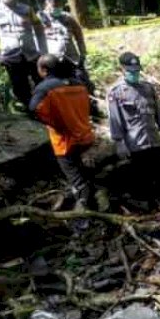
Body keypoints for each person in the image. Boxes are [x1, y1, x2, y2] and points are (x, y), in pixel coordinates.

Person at [107, 52, 160, 211]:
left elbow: (159, 112)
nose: (134, 74)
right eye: (131, 71)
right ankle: (151, 208)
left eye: (137, 71)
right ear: (122, 69)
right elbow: (115, 119)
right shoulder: (116, 92)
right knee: (144, 179)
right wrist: (120, 143)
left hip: (154, 140)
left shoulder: (148, 88)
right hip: (136, 144)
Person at [28, 54, 95, 210]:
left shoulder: (45, 88)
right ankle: (87, 191)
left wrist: (52, 122)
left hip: (65, 141)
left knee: (75, 177)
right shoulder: (78, 84)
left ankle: (83, 211)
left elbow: (33, 109)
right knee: (77, 166)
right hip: (85, 135)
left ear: (43, 70)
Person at [0, 0, 47, 109]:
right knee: (20, 89)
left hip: (32, 55)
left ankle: (46, 109)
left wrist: (43, 52)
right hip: (11, 57)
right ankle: (32, 114)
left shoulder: (27, 9)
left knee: (42, 84)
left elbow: (40, 31)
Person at [37, 0, 98, 116]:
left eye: (57, 2)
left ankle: (91, 109)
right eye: (52, 2)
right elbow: (35, 38)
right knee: (57, 88)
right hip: (52, 61)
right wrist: (40, 59)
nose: (55, 5)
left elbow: (79, 36)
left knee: (84, 83)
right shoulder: (40, 18)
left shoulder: (68, 18)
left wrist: (83, 54)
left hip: (71, 58)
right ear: (46, 2)